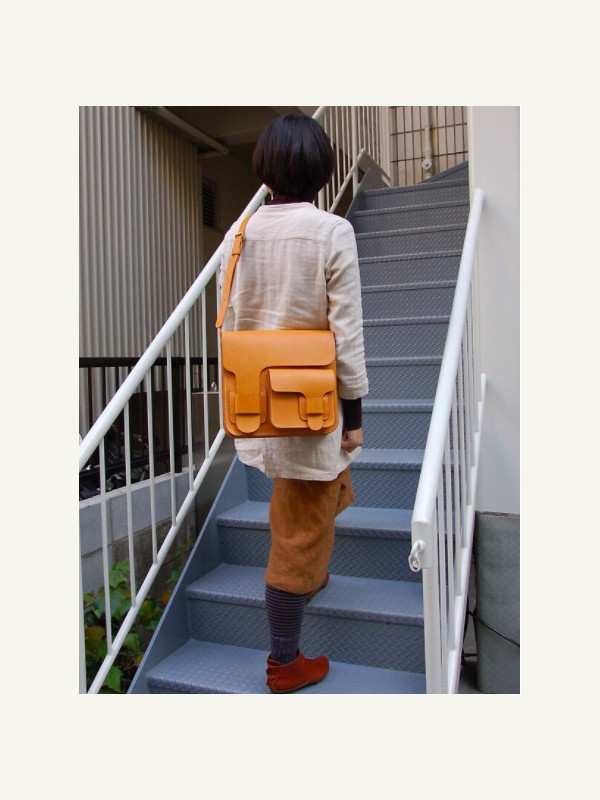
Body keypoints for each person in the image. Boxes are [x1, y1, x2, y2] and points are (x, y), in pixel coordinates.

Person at [218, 114, 369, 693]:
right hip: (312, 402)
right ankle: (284, 662)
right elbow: (346, 335)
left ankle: (309, 570)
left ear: (266, 169)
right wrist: (354, 416)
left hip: (261, 400)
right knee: (297, 532)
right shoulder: (332, 231)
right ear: (322, 170)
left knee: (322, 490)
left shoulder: (239, 234)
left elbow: (233, 320)